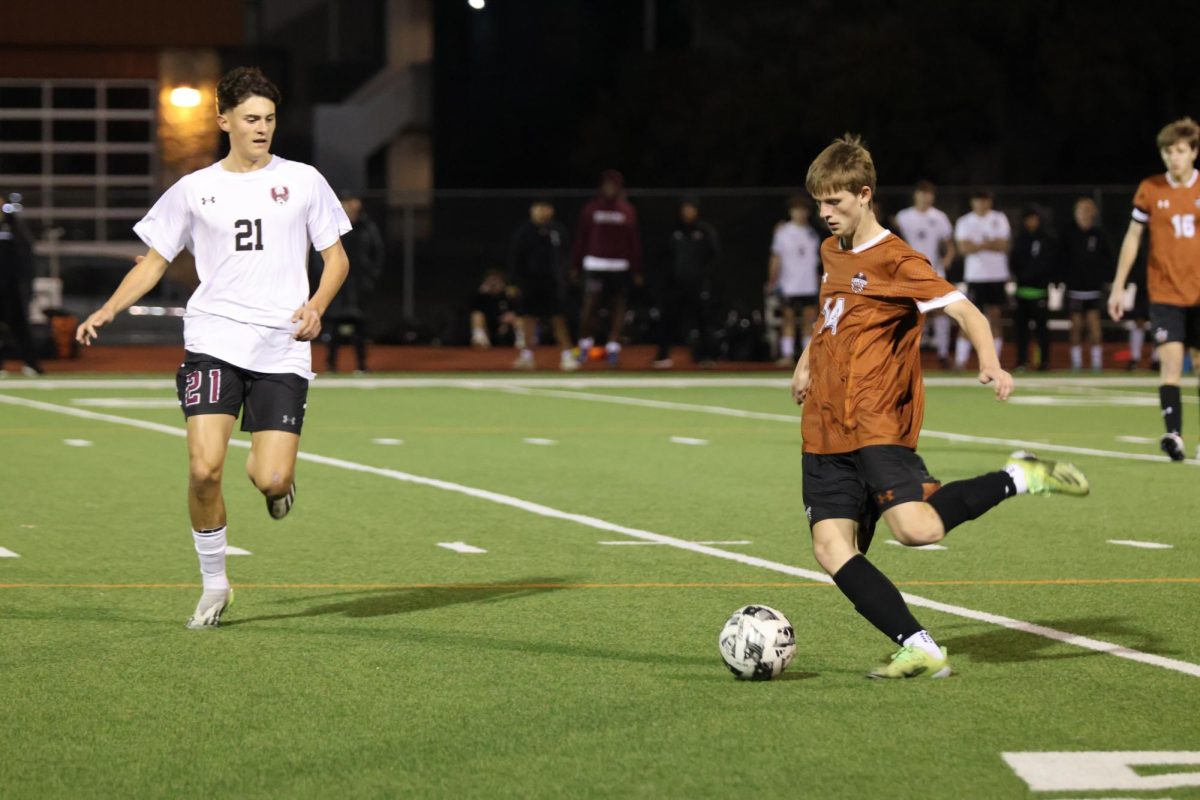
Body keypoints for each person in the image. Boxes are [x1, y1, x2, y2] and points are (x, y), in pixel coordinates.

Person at [792, 134, 1088, 679]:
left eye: (834, 202)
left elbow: (969, 313)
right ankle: (921, 647)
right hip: (825, 427)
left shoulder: (899, 259)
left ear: (864, 194)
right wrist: (808, 360)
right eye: (818, 203)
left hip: (879, 422)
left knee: (917, 531)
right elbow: (832, 314)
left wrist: (991, 362)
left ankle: (1017, 476)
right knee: (831, 546)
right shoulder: (832, 251)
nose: (825, 213)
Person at [74, 67, 351, 629]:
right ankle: (214, 584)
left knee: (269, 478)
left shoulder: (304, 181)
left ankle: (280, 485)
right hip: (213, 341)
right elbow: (153, 262)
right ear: (224, 120)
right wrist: (107, 308)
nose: (262, 129)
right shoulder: (194, 189)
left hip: (281, 346)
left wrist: (317, 304)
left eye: (270, 119)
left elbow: (337, 259)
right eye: (251, 118)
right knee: (204, 470)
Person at [1109, 117, 1200, 461]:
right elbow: (1133, 237)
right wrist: (1118, 286)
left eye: (1180, 151)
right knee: (1171, 363)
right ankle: (1174, 435)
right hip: (1165, 293)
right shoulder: (1151, 188)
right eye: (1167, 152)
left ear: (1193, 152)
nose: (1173, 158)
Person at [572, 169, 642, 367]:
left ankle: (612, 347)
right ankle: (585, 344)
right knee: (590, 304)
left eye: (614, 184)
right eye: (607, 184)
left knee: (618, 305)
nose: (610, 188)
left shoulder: (627, 210)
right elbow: (581, 237)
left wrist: (636, 268)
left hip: (619, 266)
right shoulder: (591, 209)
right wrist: (576, 264)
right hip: (595, 263)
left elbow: (633, 241)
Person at [315, 191, 383, 373]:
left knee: (360, 329)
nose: (351, 205)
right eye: (347, 202)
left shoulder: (368, 227)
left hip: (359, 289)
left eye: (354, 201)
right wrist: (326, 279)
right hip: (337, 287)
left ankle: (361, 366)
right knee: (333, 329)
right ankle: (331, 365)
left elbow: (377, 255)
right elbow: (318, 254)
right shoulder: (330, 225)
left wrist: (369, 279)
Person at [508, 199, 576, 371]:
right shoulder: (524, 232)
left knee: (558, 319)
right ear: (532, 211)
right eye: (537, 208)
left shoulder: (557, 231)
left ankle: (567, 355)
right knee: (529, 319)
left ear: (551, 210)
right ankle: (527, 356)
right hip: (530, 283)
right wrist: (513, 282)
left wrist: (567, 276)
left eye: (544, 208)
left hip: (553, 283)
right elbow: (516, 258)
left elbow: (566, 255)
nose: (541, 212)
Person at [895, 180, 956, 368]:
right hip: (908, 273)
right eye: (922, 193)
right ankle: (905, 354)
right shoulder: (903, 217)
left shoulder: (940, 217)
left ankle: (943, 354)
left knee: (940, 312)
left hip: (933, 272)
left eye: (929, 193)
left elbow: (949, 247)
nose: (925, 197)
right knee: (907, 312)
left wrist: (945, 263)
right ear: (916, 195)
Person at [654, 196, 720, 368]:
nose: (687, 212)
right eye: (685, 208)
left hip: (698, 285)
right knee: (668, 320)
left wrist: (705, 278)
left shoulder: (705, 231)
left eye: (691, 208)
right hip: (675, 285)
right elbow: (664, 257)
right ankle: (662, 355)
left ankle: (706, 356)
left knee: (703, 321)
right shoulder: (673, 231)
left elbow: (714, 257)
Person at [954, 190, 1011, 369]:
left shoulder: (999, 218)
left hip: (996, 276)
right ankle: (960, 361)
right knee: (968, 319)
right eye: (978, 200)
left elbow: (1003, 244)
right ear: (973, 202)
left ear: (989, 202)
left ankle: (994, 363)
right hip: (975, 277)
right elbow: (963, 248)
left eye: (984, 200)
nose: (981, 204)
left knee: (995, 318)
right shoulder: (965, 221)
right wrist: (989, 243)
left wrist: (977, 245)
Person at [766, 195, 821, 367]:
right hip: (788, 284)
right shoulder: (783, 233)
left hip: (808, 284)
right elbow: (776, 258)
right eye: (796, 210)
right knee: (788, 320)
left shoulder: (812, 233)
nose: (800, 213)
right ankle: (788, 355)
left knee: (809, 320)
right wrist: (772, 280)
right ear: (791, 212)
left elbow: (816, 260)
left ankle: (807, 357)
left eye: (803, 210)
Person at [1064, 196, 1113, 371]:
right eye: (1081, 210)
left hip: (1094, 288)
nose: (1084, 214)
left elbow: (1108, 260)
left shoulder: (1100, 235)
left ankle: (1096, 363)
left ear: (1094, 212)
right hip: (1074, 288)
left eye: (1088, 210)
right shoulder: (1069, 234)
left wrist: (1107, 281)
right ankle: (1076, 363)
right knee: (1076, 326)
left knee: (1094, 325)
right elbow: (1061, 260)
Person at [0, 194, 43, 376]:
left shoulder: (13, 224)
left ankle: (31, 364)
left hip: (13, 287)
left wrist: (27, 283)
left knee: (20, 326)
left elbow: (26, 254)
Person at [1009, 207, 1057, 370]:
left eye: (1034, 218)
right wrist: (1023, 277)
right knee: (1021, 331)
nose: (1031, 222)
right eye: (1028, 219)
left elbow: (1049, 263)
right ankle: (1022, 362)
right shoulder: (1019, 239)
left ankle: (1044, 362)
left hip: (1040, 291)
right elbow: (1014, 262)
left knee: (1042, 331)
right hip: (1022, 291)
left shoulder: (1047, 239)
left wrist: (1039, 277)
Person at [469, 269, 518, 349]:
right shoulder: (481, 297)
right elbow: (473, 308)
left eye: (497, 282)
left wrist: (507, 319)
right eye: (491, 282)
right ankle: (480, 340)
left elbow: (516, 310)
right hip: (488, 327)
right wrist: (481, 292)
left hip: (505, 328)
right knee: (477, 315)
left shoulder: (507, 296)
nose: (494, 284)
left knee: (516, 317)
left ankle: (521, 340)